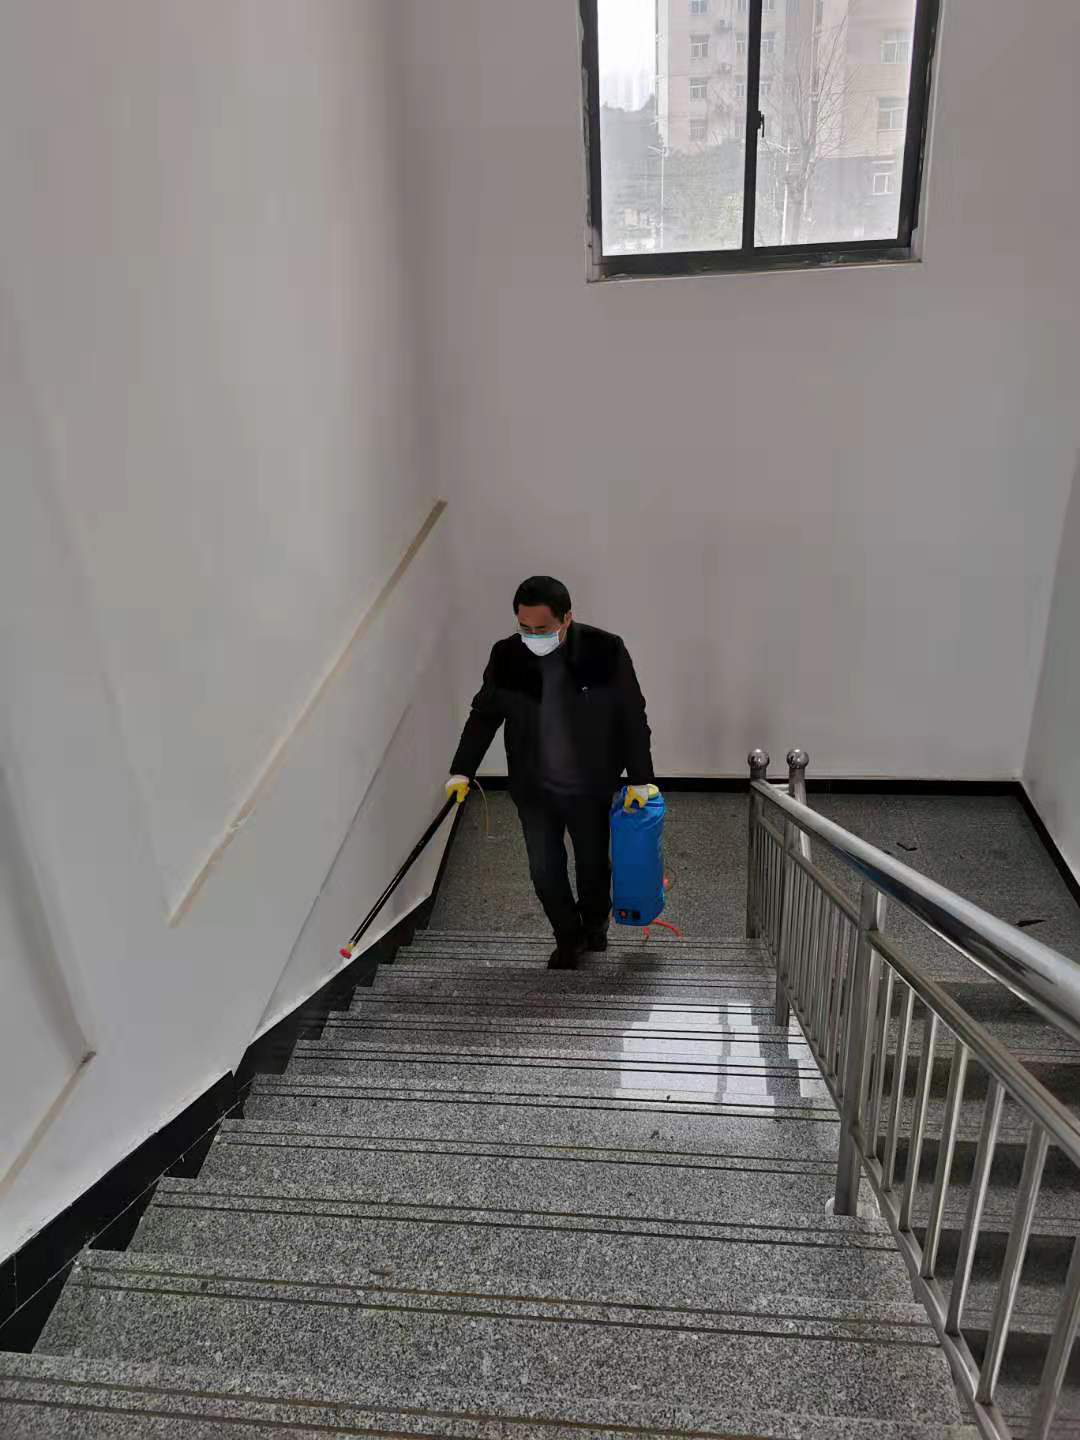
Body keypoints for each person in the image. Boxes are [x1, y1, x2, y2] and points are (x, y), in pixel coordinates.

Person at [446, 576, 656, 969]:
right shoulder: (507, 655)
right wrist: (461, 771)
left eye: (542, 629)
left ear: (566, 618)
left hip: (588, 784)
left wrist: (641, 778)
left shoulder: (604, 650)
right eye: (524, 627)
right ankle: (568, 937)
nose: (532, 636)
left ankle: (595, 926)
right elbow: (484, 715)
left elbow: (631, 715)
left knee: (593, 866)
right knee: (543, 869)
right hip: (534, 786)